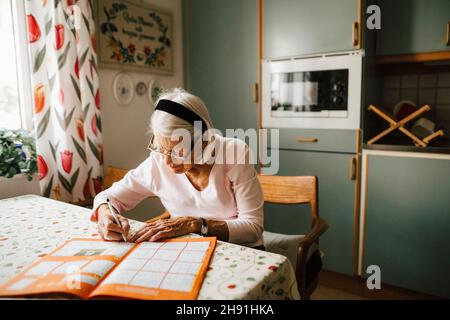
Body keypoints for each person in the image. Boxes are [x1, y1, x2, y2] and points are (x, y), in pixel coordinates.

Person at [90, 88, 264, 249]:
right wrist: (106, 215)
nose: (167, 161)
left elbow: (253, 227)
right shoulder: (158, 161)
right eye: (160, 147)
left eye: (178, 152)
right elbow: (107, 197)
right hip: (188, 249)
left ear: (204, 140)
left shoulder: (234, 152)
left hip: (239, 251)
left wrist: (193, 224)